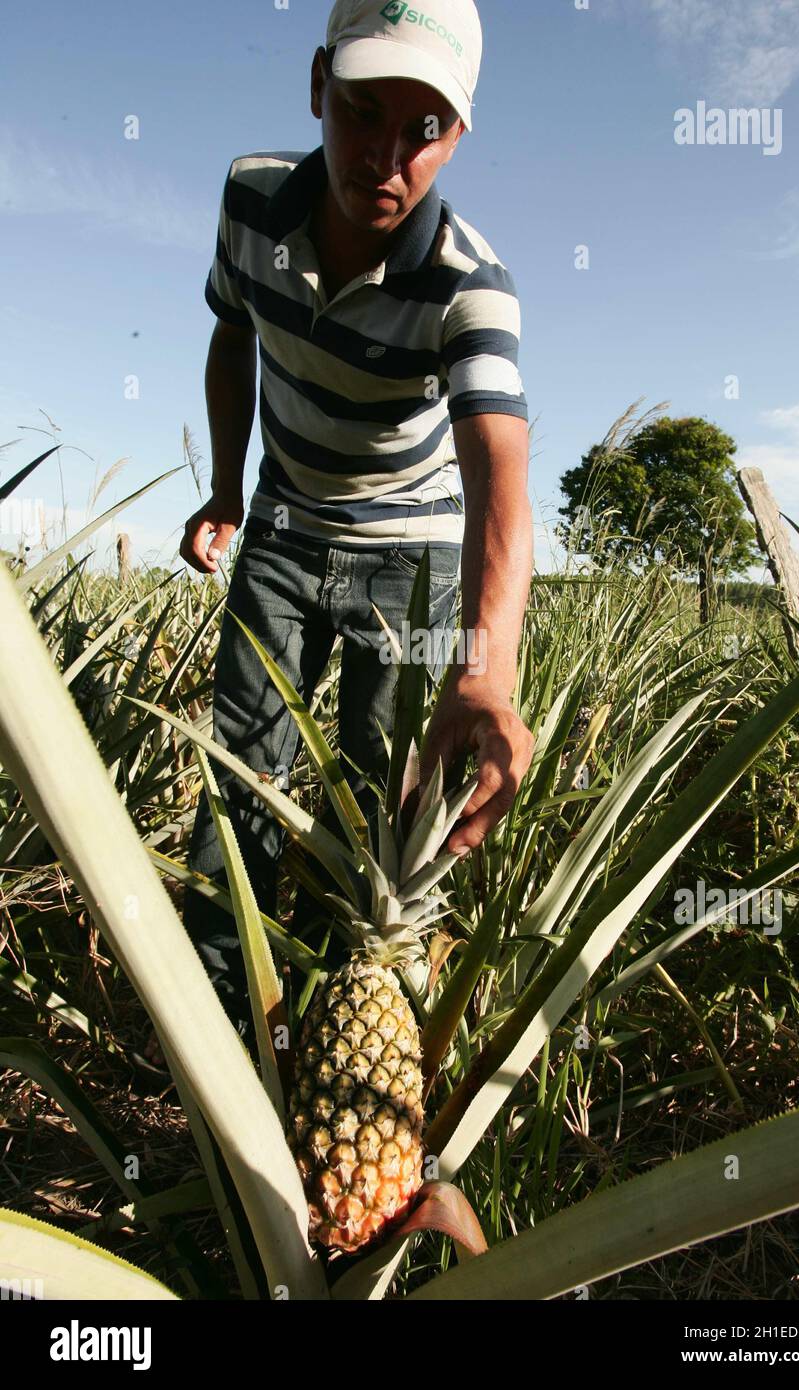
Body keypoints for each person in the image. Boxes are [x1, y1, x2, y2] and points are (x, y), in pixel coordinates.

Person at [146, 0, 534, 1066]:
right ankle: (219, 1036)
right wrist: (225, 489)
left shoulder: (468, 283)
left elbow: (499, 470)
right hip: (280, 525)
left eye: (424, 128)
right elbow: (232, 336)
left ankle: (337, 1032)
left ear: (457, 136)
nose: (384, 153)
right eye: (364, 110)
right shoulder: (250, 197)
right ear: (317, 85)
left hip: (407, 561)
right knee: (242, 780)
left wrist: (485, 672)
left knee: (375, 804)